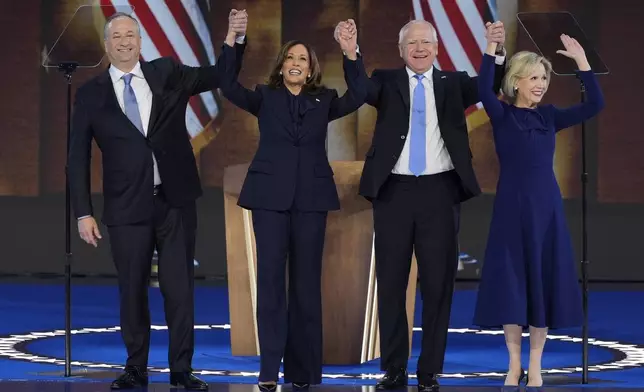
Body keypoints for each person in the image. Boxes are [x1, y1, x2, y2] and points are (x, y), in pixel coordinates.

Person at [67, 10, 248, 390]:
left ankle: (182, 370)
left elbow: (217, 75)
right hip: (126, 207)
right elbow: (76, 157)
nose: (124, 42)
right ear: (106, 45)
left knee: (179, 288)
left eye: (130, 35)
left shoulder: (167, 72)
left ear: (140, 40)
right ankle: (135, 368)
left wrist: (233, 38)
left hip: (175, 200)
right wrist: (83, 212)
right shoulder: (90, 94)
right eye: (116, 36)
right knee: (132, 290)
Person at [334, 19, 507, 391]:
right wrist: (351, 52)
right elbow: (361, 89)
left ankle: (429, 371)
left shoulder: (454, 83)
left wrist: (494, 49)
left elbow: (489, 85)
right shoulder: (386, 79)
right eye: (411, 43)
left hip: (440, 192)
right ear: (400, 50)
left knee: (438, 285)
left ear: (437, 47)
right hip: (393, 192)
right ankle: (394, 369)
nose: (419, 48)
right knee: (392, 284)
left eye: (426, 42)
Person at [219, 16, 366, 391]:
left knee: (305, 286)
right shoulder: (264, 97)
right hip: (269, 201)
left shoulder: (325, 100)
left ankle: (303, 372)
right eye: (291, 57)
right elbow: (225, 85)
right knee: (270, 284)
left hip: (311, 202)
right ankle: (269, 369)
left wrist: (350, 52)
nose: (297, 61)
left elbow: (361, 93)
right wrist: (234, 39)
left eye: (303, 57)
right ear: (282, 65)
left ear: (311, 68)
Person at [472, 30, 605, 387]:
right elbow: (484, 90)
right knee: (514, 286)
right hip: (511, 210)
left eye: (544, 78)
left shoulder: (548, 116)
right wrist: (489, 48)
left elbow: (595, 105)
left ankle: (536, 365)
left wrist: (582, 63)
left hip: (546, 210)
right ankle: (513, 364)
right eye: (533, 77)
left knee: (541, 283)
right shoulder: (502, 115)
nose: (541, 84)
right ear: (515, 82)